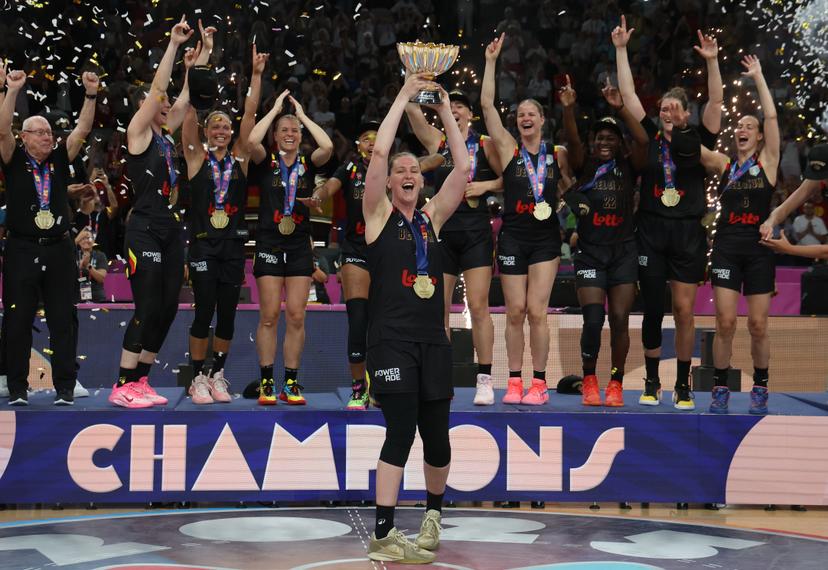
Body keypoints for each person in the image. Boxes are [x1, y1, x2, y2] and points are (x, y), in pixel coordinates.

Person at [363, 73, 469, 565]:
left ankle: (432, 516)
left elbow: (463, 166)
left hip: (433, 342)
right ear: (388, 182)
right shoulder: (378, 215)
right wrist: (403, 96)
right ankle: (384, 532)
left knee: (438, 436)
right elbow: (380, 153)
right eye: (400, 169)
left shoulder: (432, 220)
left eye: (414, 169)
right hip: (391, 342)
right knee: (400, 430)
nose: (407, 172)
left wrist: (445, 110)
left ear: (421, 181)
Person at [613, 17, 723, 410]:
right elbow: (627, 97)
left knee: (684, 310)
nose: (666, 111)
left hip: (688, 234)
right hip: (652, 232)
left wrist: (711, 61)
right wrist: (622, 50)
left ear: (686, 114)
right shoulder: (652, 139)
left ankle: (682, 385)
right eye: (663, 107)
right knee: (655, 309)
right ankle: (652, 380)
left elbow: (716, 104)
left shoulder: (699, 140)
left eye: (674, 107)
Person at [110, 17, 199, 408]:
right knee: (146, 306)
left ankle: (141, 381)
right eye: (158, 105)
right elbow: (161, 91)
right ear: (146, 109)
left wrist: (194, 68)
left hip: (169, 231)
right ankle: (121, 384)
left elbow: (182, 99)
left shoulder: (165, 139)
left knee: (166, 309)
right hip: (143, 229)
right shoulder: (139, 133)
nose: (166, 107)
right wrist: (174, 47)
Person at [481, 33, 574, 405]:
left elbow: (567, 186)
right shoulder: (508, 149)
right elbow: (487, 106)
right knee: (515, 311)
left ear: (542, 119)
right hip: (514, 237)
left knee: (538, 312)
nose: (524, 118)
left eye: (531, 113)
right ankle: (515, 381)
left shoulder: (558, 152)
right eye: (520, 114)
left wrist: (560, 205)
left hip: (546, 240)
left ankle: (539, 382)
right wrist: (491, 62)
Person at [0, 64, 99, 406]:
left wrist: (90, 93)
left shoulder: (58, 158)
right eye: (39, 132)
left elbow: (82, 129)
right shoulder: (12, 157)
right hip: (22, 248)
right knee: (18, 318)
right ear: (24, 137)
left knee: (62, 319)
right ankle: (16, 387)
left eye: (49, 132)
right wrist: (12, 90)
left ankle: (66, 388)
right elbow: (1, 132)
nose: (47, 136)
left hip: (58, 248)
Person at [181, 34, 268, 404]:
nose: (220, 130)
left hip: (233, 245)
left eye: (225, 127)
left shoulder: (240, 160)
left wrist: (257, 74)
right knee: (204, 311)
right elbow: (187, 116)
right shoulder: (196, 159)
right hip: (202, 243)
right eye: (214, 126)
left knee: (229, 315)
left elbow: (249, 115)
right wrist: (190, 70)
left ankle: (217, 372)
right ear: (205, 131)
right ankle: (197, 377)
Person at [404, 89, 501, 407]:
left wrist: (485, 185)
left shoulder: (486, 144)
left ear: (470, 114)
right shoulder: (437, 142)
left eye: (461, 105)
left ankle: (485, 380)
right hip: (442, 232)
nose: (455, 110)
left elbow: (508, 176)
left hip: (475, 233)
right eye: (452, 105)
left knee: (478, 306)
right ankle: (439, 376)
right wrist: (413, 78)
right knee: (438, 309)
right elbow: (413, 113)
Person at [696, 55, 780, 415]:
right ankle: (720, 387)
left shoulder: (769, 163)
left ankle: (760, 385)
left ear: (758, 135)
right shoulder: (724, 164)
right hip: (727, 249)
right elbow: (690, 146)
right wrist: (676, 122)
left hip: (760, 250)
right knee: (725, 323)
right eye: (739, 125)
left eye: (750, 125)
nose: (742, 129)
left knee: (758, 325)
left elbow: (772, 117)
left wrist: (759, 77)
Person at [562, 78, 648, 407]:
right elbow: (571, 138)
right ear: (593, 141)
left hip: (624, 253)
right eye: (600, 137)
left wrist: (620, 109)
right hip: (591, 255)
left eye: (611, 137)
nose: (605, 141)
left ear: (619, 142)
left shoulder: (631, 166)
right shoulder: (585, 164)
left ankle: (615, 380)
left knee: (621, 320)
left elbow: (643, 138)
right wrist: (569, 109)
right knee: (594, 319)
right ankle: (589, 379)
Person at [247, 87, 333, 406]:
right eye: (284, 130)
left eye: (293, 130)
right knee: (269, 315)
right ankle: (267, 382)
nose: (290, 134)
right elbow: (251, 141)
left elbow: (328, 145)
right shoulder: (264, 161)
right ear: (276, 134)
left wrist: (302, 116)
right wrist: (274, 113)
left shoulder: (309, 163)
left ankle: (291, 384)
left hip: (299, 246)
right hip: (269, 243)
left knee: (296, 316)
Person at [304, 121, 380, 410]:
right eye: (365, 138)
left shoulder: (393, 168)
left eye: (376, 137)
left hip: (387, 251)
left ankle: (382, 384)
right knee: (359, 320)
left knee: (384, 323)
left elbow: (424, 166)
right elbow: (330, 187)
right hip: (357, 249)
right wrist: (318, 197)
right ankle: (359, 388)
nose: (371, 142)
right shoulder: (350, 169)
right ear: (358, 145)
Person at [761, 143, 828, 258]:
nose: (823, 181)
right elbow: (785, 207)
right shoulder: (819, 175)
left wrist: (789, 249)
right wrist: (769, 223)